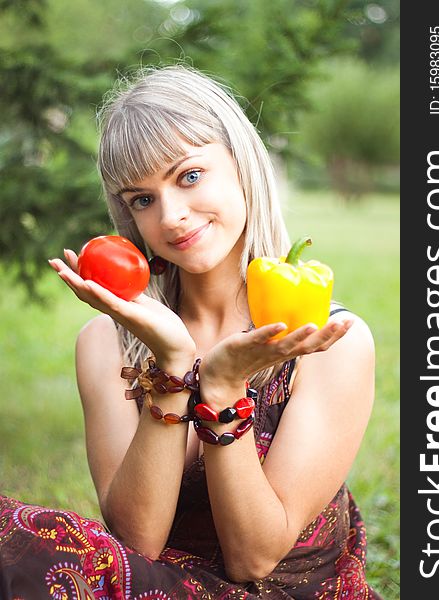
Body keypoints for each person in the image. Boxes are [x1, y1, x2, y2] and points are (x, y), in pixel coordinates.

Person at [0, 65, 381, 599]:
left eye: (189, 176)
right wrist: (175, 364)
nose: (172, 216)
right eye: (142, 199)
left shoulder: (325, 339)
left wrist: (223, 390)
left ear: (242, 165)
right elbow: (137, 542)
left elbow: (253, 559)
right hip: (151, 584)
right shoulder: (105, 343)